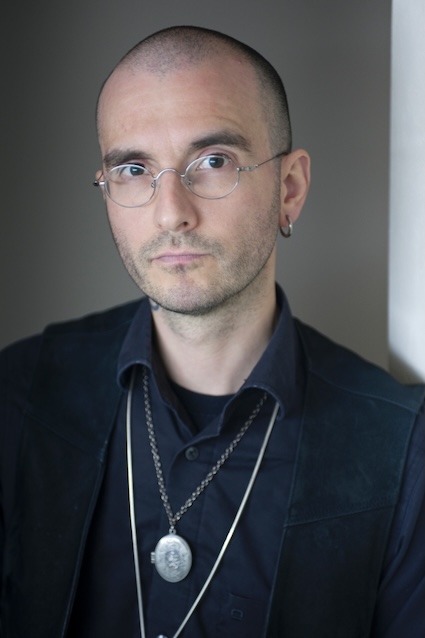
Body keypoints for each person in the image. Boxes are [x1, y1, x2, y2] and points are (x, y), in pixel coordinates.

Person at [0, 25, 424, 638]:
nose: (171, 212)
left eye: (213, 161)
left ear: (290, 189)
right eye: (134, 169)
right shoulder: (18, 397)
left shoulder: (401, 446)